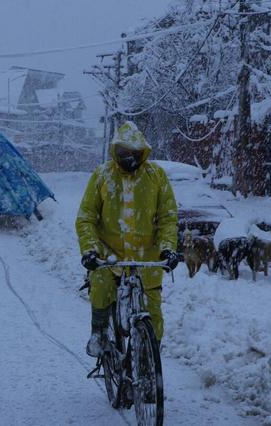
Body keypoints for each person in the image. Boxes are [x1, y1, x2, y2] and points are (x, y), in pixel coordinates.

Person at [75, 121, 179, 357]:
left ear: (142, 151)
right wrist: (90, 250)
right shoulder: (102, 175)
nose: (128, 157)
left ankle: (149, 360)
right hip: (108, 256)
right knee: (100, 286)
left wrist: (167, 248)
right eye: (122, 152)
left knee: (153, 315)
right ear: (115, 151)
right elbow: (86, 217)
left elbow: (167, 217)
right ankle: (99, 333)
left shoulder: (156, 176)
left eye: (133, 153)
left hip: (147, 260)